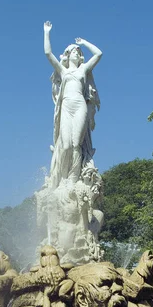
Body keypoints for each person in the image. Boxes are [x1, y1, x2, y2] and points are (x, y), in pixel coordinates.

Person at [44, 21, 102, 188]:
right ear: (67, 55)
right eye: (73, 51)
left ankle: (73, 178)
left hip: (79, 106)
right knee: (66, 144)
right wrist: (46, 32)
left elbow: (99, 54)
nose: (76, 53)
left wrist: (84, 43)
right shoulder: (63, 71)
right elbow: (48, 53)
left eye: (78, 51)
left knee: (77, 144)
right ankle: (61, 177)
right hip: (66, 106)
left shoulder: (83, 69)